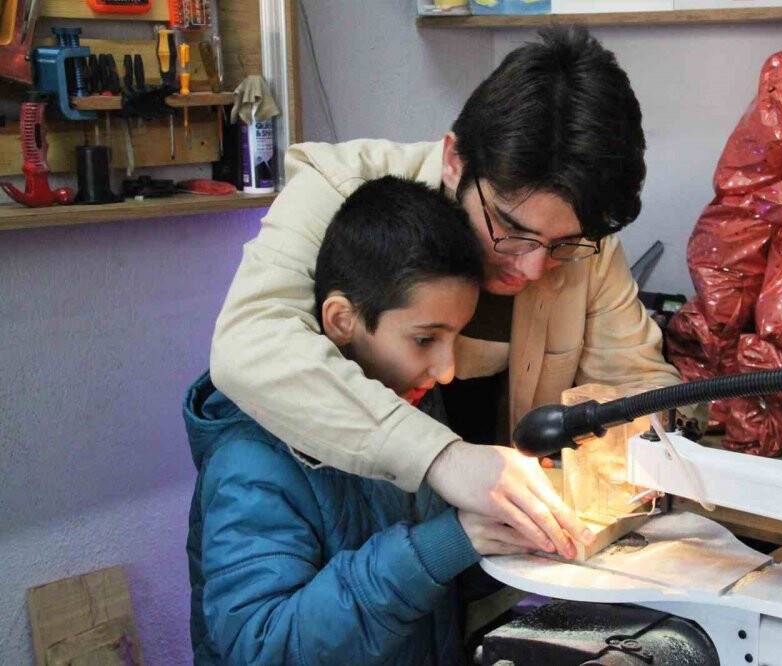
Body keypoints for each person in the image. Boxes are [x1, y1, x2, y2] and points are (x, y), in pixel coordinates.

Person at [210, 27, 701, 561]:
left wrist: (627, 450)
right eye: (511, 229)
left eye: (562, 244)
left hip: (485, 564)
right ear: (454, 160)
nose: (533, 267)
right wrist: (442, 458)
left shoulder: (589, 245)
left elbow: (640, 390)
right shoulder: (342, 191)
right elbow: (249, 346)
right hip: (360, 560)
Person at [185, 177, 533, 664]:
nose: (448, 369)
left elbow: (431, 595)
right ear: (342, 321)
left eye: (455, 336)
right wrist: (445, 542)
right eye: (425, 339)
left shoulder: (410, 401)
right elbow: (261, 645)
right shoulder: (252, 458)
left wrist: (514, 530)